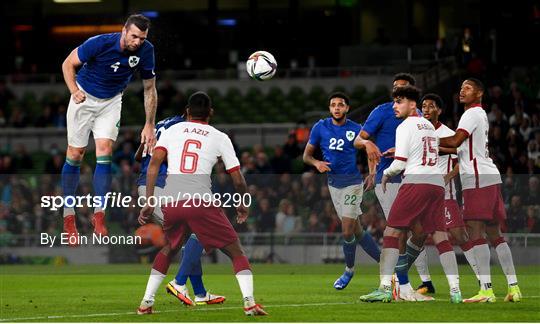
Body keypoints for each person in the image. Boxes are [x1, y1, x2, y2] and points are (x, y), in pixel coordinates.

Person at [137, 92, 267, 316]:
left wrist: (149, 201)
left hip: (171, 201)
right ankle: (249, 302)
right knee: (236, 252)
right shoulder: (220, 137)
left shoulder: (171, 130)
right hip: (199, 201)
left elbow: (153, 165)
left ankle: (146, 303)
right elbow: (237, 178)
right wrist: (243, 202)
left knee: (169, 248)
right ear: (211, 113)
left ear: (187, 112)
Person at [359, 86, 462, 303]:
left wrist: (385, 174)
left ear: (412, 104)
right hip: (436, 185)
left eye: (400, 101)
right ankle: (455, 291)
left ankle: (386, 288)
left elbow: (400, 163)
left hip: (416, 181)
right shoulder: (428, 126)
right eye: (395, 102)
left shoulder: (405, 126)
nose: (395, 106)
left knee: (392, 233)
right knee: (441, 236)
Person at [61, 14, 157, 244]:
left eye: (142, 38)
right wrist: (73, 90)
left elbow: (149, 88)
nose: (137, 42)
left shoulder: (146, 50)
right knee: (76, 154)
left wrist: (149, 123)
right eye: (134, 36)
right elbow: (67, 64)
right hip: (83, 97)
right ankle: (68, 216)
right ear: (124, 30)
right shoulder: (100, 42)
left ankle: (99, 214)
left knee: (105, 150)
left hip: (112, 101)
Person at [439, 78, 522, 303]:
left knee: (475, 232)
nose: (462, 91)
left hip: (476, 178)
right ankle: (514, 287)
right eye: (461, 88)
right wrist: (433, 146)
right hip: (489, 176)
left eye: (468, 88)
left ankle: (486, 290)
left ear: (480, 93)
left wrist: (426, 140)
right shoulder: (480, 115)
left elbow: (455, 141)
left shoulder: (470, 114)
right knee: (495, 234)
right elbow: (459, 146)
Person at [134, 115, 225, 308]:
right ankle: (174, 285)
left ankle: (199, 293)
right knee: (200, 230)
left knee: (190, 237)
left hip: (151, 186)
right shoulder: (181, 129)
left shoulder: (158, 125)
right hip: (158, 187)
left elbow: (138, 156)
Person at [303, 92, 381, 290]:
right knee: (356, 230)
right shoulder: (320, 127)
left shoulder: (356, 129)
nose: (337, 108)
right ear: (330, 109)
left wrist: (372, 173)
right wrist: (316, 163)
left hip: (352, 184)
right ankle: (385, 263)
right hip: (333, 184)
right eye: (333, 105)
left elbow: (371, 150)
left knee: (346, 230)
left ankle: (349, 270)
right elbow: (306, 156)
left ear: (347, 108)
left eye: (340, 105)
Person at [358, 73, 421, 298]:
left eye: (402, 90)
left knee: (420, 232)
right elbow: (358, 139)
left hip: (414, 179)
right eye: (395, 89)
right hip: (389, 179)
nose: (397, 94)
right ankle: (396, 284)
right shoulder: (382, 111)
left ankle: (398, 280)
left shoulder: (419, 117)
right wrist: (367, 143)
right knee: (398, 229)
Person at [412, 94, 480, 295]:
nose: (425, 109)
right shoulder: (417, 132)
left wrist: (449, 176)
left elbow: (463, 159)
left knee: (459, 235)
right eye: (423, 106)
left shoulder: (448, 133)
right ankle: (424, 282)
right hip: (422, 193)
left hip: (445, 195)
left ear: (439, 111)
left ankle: (481, 278)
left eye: (430, 106)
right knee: (416, 235)